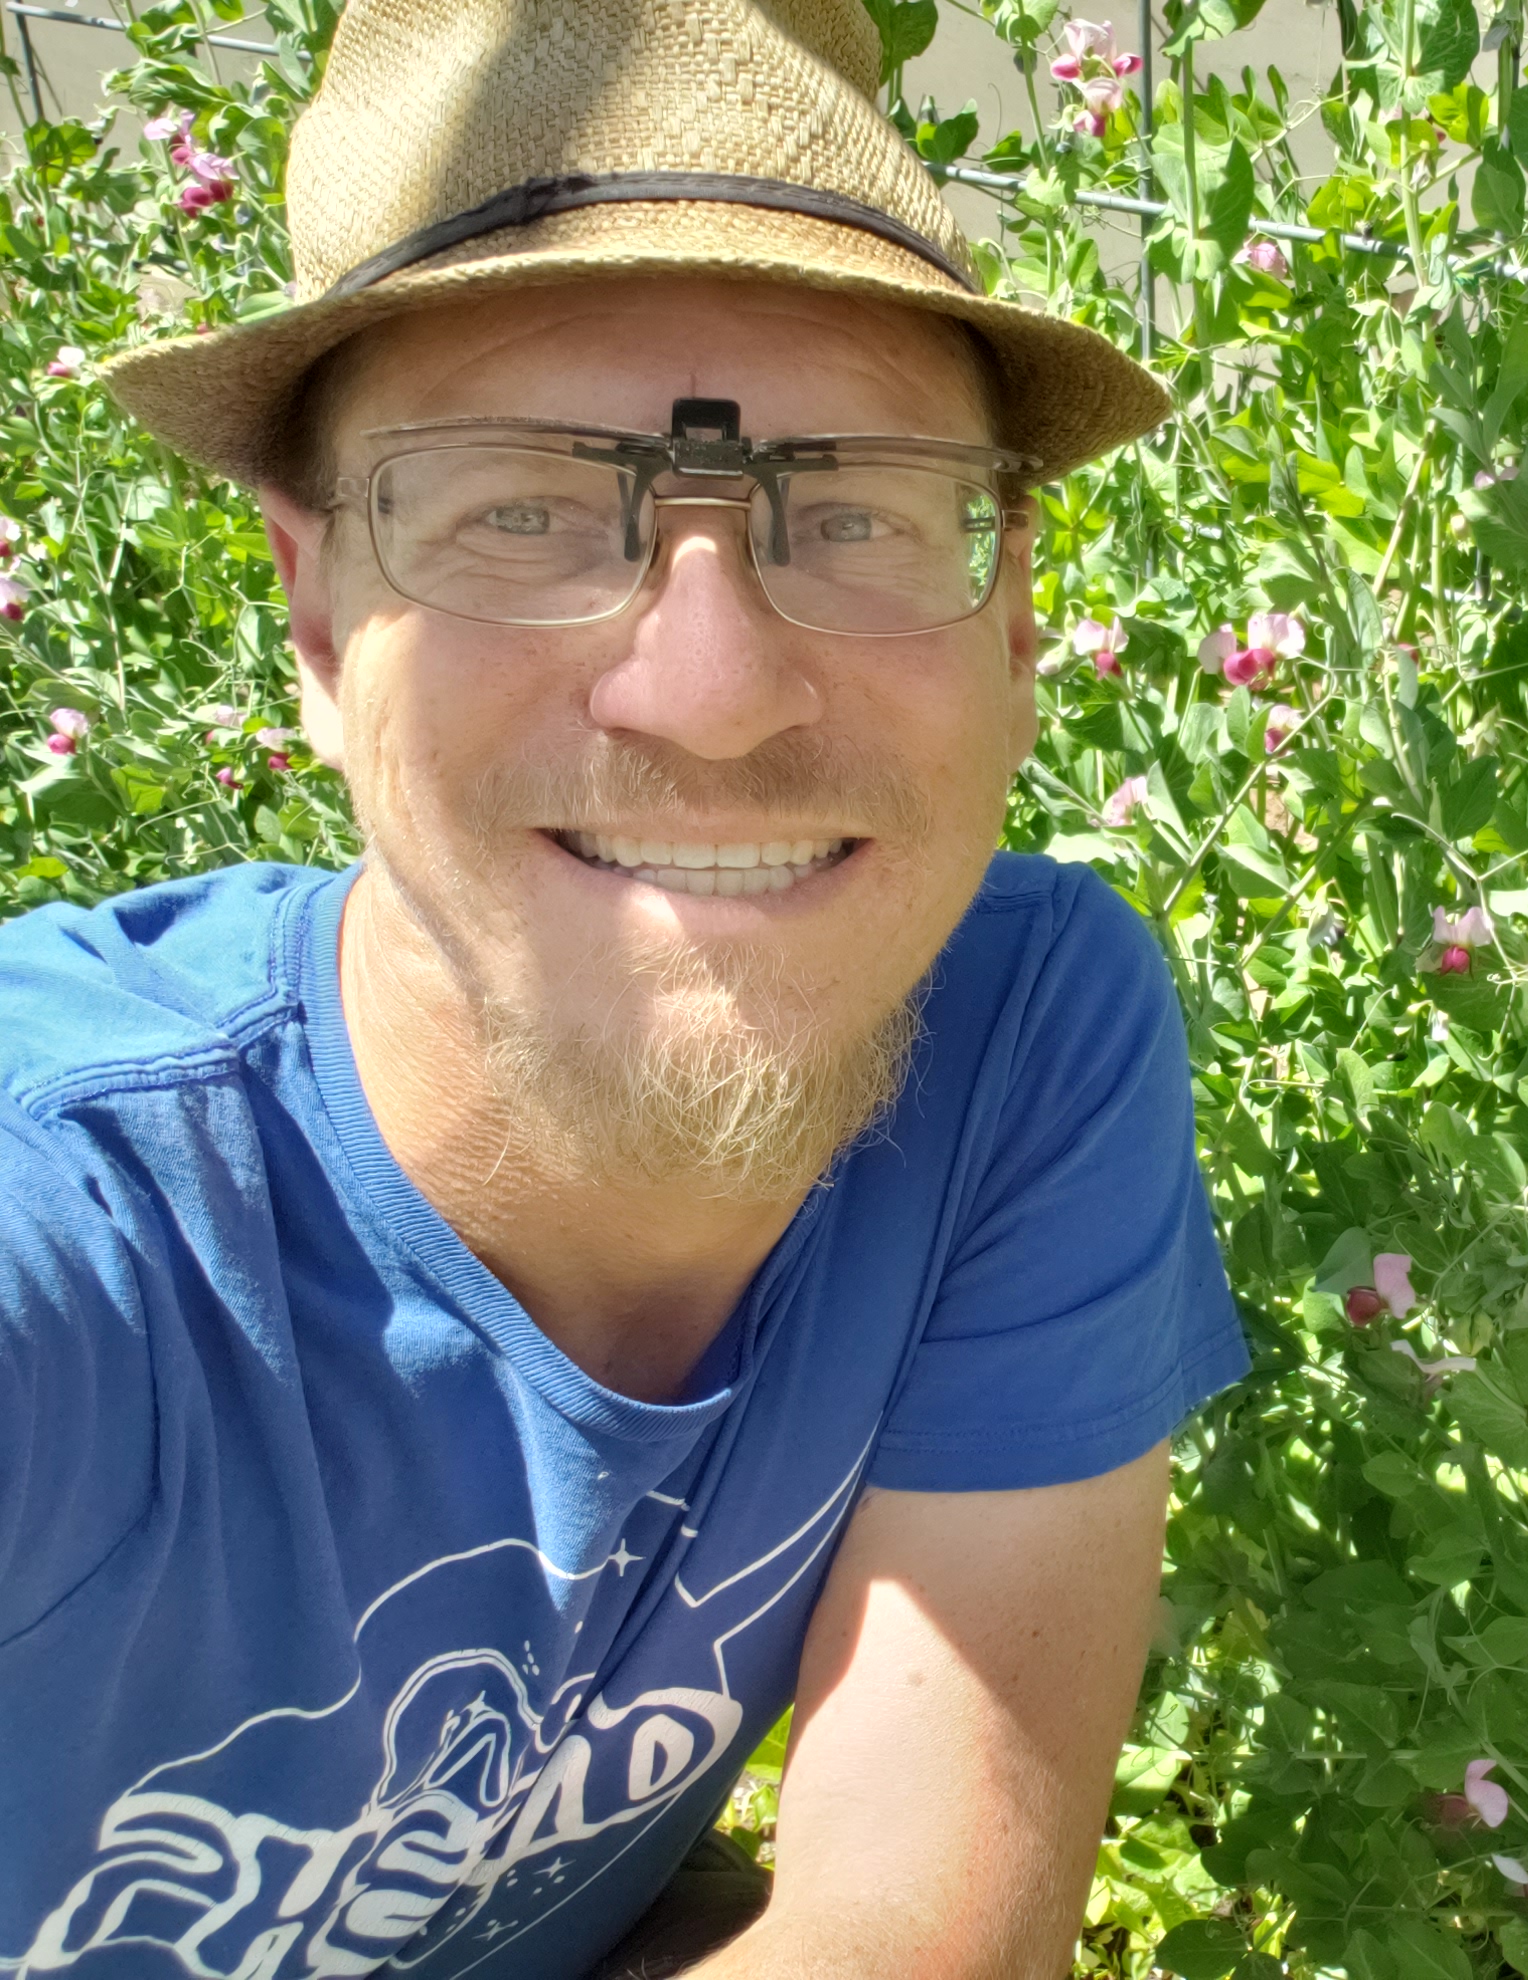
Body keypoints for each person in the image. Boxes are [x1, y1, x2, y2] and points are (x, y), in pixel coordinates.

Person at [0, 2, 1248, 1975]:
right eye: (520, 513)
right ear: (319, 622)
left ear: (1015, 611)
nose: (713, 690)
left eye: (848, 508)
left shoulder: (1016, 1032)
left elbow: (920, 1930)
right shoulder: (63, 1229)